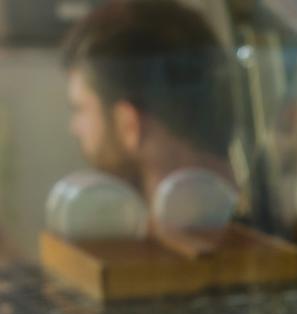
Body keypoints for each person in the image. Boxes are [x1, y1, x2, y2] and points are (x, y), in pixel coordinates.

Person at [61, 0, 235, 207]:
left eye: (80, 109)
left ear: (129, 123)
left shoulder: (159, 236)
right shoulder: (255, 224)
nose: (74, 128)